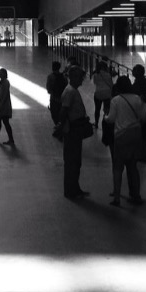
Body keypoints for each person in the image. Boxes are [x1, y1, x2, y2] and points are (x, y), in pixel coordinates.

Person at [105, 76, 146, 206]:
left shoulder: (116, 100)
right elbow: (144, 116)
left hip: (121, 135)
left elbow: (111, 119)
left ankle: (117, 197)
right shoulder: (137, 99)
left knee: (118, 167)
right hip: (135, 134)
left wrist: (105, 116)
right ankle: (136, 195)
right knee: (133, 166)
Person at [59, 65, 89, 199]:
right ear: (73, 77)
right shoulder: (70, 92)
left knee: (76, 161)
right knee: (72, 160)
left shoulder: (72, 90)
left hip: (75, 129)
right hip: (72, 130)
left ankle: (74, 187)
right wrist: (63, 126)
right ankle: (70, 189)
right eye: (80, 78)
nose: (82, 81)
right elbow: (64, 111)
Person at [131, 64, 146, 163]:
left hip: (139, 109)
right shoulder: (143, 81)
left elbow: (136, 93)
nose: (132, 72)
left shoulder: (139, 82)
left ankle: (144, 154)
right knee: (142, 131)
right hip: (142, 107)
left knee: (140, 132)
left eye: (134, 70)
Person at [45, 61, 68, 138]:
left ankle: (59, 128)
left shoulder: (50, 76)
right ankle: (60, 127)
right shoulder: (64, 77)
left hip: (54, 98)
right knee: (61, 114)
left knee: (54, 114)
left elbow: (48, 89)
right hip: (62, 98)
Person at [91, 61, 113, 129]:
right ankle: (106, 123)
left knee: (97, 109)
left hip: (98, 93)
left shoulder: (95, 75)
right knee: (106, 109)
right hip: (107, 93)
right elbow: (111, 84)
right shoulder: (108, 75)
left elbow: (95, 83)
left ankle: (96, 123)